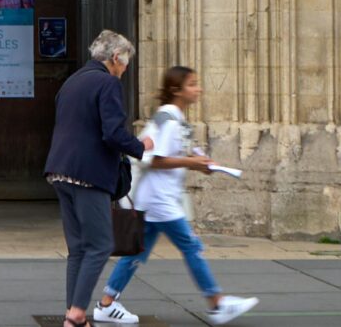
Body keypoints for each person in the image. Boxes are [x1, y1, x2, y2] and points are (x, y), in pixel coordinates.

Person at [93, 65, 257, 325]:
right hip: (160, 200)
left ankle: (107, 303)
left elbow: (175, 152)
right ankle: (216, 303)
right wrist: (192, 163)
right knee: (191, 247)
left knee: (136, 253)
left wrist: (199, 162)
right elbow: (156, 159)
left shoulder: (171, 117)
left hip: (156, 199)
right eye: (192, 84)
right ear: (176, 90)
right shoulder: (169, 118)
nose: (198, 89)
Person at [44, 29, 148, 327]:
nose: (125, 70)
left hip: (59, 171)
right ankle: (77, 314)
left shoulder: (71, 82)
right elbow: (112, 133)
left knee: (78, 248)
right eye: (125, 63)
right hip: (89, 175)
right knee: (101, 245)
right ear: (115, 58)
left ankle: (72, 314)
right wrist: (141, 146)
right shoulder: (107, 83)